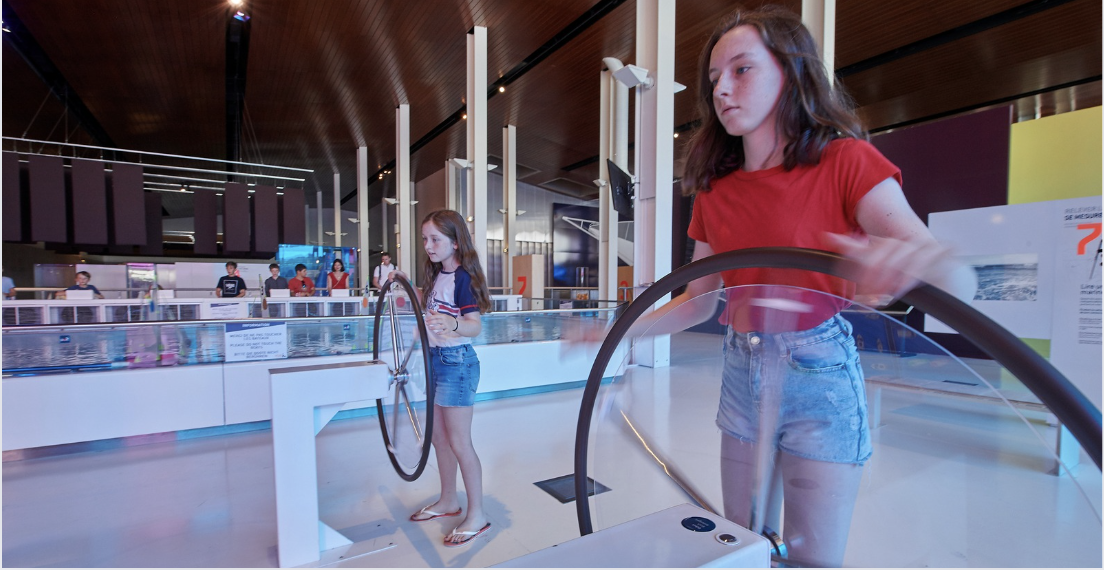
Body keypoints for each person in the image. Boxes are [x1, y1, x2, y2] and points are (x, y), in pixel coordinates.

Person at [598, 6, 977, 567]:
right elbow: (697, 303)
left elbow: (954, 279)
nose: (722, 89)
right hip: (740, 373)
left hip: (818, 374)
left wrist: (915, 266)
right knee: (743, 547)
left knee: (812, 560)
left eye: (742, 70)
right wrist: (617, 333)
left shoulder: (845, 162)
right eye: (714, 79)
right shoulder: (714, 189)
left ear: (790, 73)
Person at [401, 210, 494, 548]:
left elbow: (474, 325)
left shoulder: (463, 279)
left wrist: (451, 325)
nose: (428, 245)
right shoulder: (439, 275)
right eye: (425, 239)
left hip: (457, 363)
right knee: (439, 439)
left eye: (435, 239)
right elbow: (430, 317)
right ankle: (448, 501)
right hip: (437, 362)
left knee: (459, 442)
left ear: (455, 242)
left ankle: (477, 513)